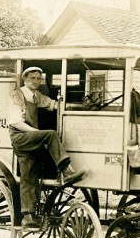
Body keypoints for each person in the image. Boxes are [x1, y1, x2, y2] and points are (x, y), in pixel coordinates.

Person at [8, 66, 85, 229]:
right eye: (33, 78)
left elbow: (54, 105)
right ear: (25, 79)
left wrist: (81, 106)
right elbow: (16, 122)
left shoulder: (36, 96)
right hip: (20, 137)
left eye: (38, 79)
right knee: (50, 134)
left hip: (30, 137)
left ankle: (29, 217)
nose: (36, 81)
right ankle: (66, 169)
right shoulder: (17, 95)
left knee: (30, 175)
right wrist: (38, 133)